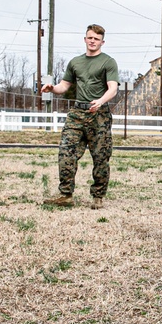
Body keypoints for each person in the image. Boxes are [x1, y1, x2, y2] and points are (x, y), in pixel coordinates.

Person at [42, 24, 120, 209]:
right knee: (66, 152)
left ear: (102, 42)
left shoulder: (108, 62)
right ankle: (66, 194)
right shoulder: (75, 62)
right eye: (90, 37)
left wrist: (100, 101)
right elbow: (64, 86)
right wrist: (52, 88)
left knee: (100, 157)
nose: (93, 41)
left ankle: (98, 196)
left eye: (97, 39)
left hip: (98, 114)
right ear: (85, 39)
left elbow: (113, 88)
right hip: (77, 113)